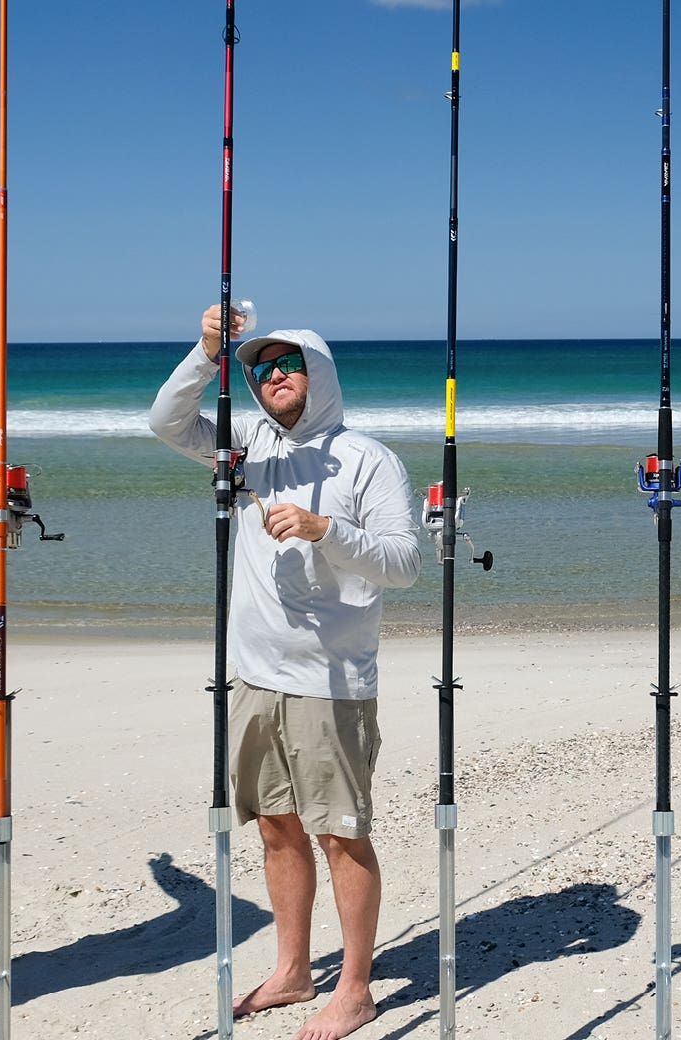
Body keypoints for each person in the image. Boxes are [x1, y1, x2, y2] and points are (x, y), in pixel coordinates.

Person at [149, 307, 421, 1040]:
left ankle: (356, 988)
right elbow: (166, 423)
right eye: (261, 368)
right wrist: (207, 354)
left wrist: (325, 531)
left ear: (319, 376)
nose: (273, 377)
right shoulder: (247, 444)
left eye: (288, 365)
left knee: (340, 834)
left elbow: (406, 563)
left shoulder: (368, 458)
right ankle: (294, 968)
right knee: (275, 828)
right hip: (254, 674)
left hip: (331, 681)